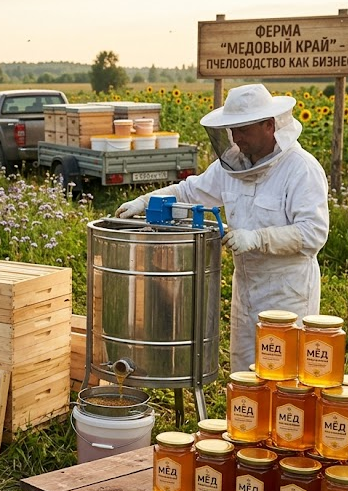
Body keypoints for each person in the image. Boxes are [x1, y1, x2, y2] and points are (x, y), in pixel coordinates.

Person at [115, 83, 329, 372]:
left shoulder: (300, 168)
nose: (235, 137)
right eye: (232, 130)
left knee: (284, 376)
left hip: (287, 292)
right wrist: (145, 200)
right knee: (244, 372)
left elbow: (313, 233)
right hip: (245, 288)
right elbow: (189, 192)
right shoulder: (233, 167)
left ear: (269, 125)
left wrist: (258, 238)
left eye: (243, 129)